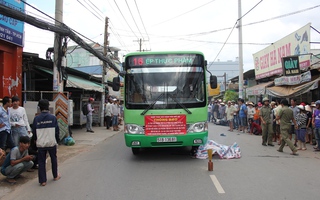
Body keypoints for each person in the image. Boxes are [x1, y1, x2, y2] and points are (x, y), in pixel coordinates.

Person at [32, 99, 61, 186]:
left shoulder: (36, 119)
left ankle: (43, 181)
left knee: (41, 162)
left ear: (39, 108)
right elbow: (57, 131)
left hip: (41, 143)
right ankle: (55, 176)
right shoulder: (53, 118)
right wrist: (57, 140)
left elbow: (34, 132)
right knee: (53, 159)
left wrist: (35, 140)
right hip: (51, 142)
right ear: (48, 107)